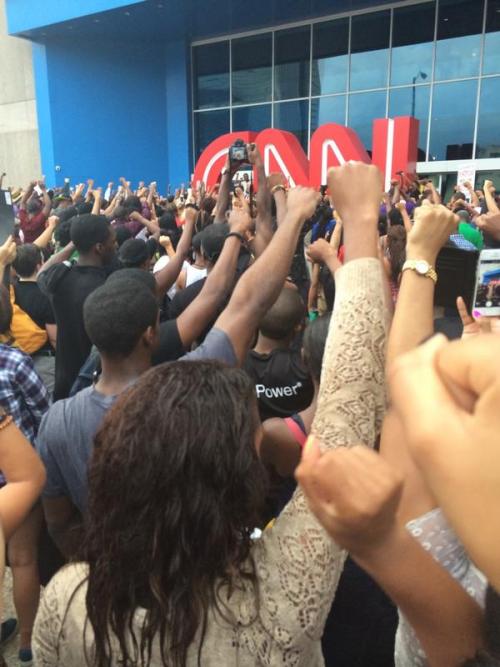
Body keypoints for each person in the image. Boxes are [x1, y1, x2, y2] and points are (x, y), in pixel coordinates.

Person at [32, 163, 389, 666]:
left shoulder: (70, 601)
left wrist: (110, 554)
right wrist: (355, 224)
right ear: (236, 480)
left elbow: (58, 523)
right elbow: (345, 417)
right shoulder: (280, 597)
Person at [0, 275, 50, 666]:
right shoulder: (15, 362)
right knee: (23, 561)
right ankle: (28, 643)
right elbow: (42, 414)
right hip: (19, 480)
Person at [37, 214, 117, 400]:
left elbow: (42, 272)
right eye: (112, 241)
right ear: (99, 248)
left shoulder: (58, 278)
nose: (116, 245)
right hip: (93, 380)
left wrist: (75, 242)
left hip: (63, 374)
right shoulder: (106, 288)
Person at [244, 287, 313, 422]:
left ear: (256, 319)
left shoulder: (237, 367)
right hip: (301, 441)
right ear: (299, 326)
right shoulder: (306, 369)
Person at [12, 243, 57, 394]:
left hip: (15, 359)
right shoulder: (46, 296)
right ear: (39, 266)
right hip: (43, 362)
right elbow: (54, 338)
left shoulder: (9, 293)